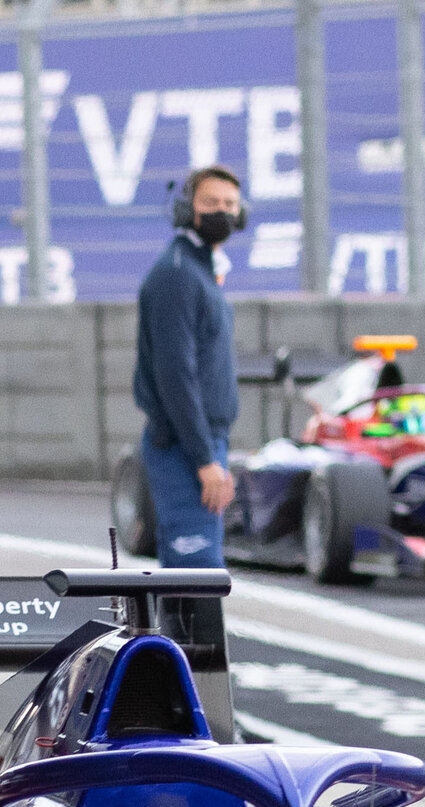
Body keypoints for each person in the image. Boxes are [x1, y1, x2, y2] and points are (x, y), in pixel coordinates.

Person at [133, 164, 244, 569]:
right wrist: (204, 461)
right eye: (210, 202)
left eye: (230, 204)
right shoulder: (177, 276)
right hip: (184, 447)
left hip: (204, 442)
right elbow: (175, 377)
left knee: (198, 575)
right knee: (195, 572)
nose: (222, 211)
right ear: (186, 211)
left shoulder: (199, 272)